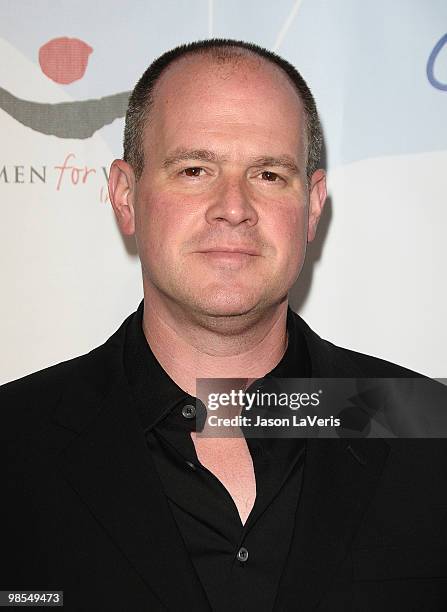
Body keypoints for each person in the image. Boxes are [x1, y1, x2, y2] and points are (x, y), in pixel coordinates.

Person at [1, 38, 447, 612]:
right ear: (125, 195)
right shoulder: (11, 446)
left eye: (267, 174)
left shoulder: (428, 430)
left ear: (311, 207)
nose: (233, 206)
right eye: (194, 169)